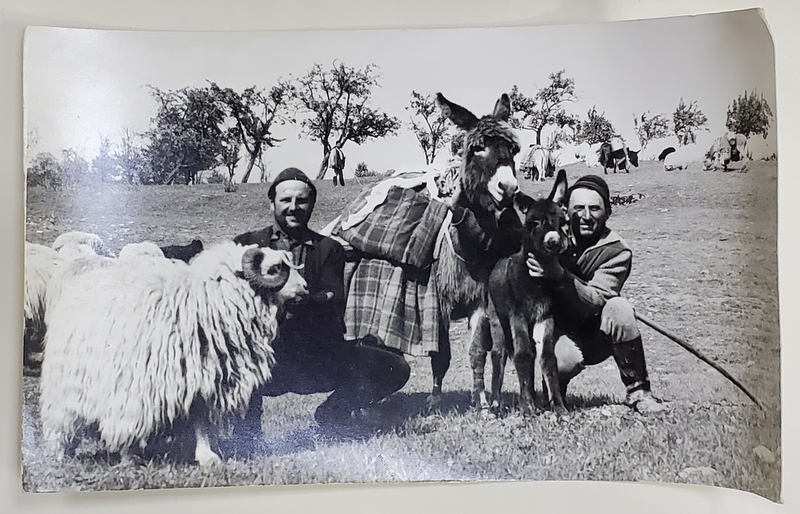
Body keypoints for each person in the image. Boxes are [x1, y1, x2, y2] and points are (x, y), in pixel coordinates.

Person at [232, 167, 410, 450]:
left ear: (311, 205)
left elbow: (334, 298)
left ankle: (334, 413)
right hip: (262, 357)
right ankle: (246, 435)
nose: (293, 207)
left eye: (301, 201)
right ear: (272, 203)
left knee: (394, 366)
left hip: (311, 357)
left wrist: (303, 301)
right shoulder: (245, 245)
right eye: (285, 200)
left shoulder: (328, 249)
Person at [526, 174, 666, 415]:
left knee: (619, 308)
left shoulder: (617, 251)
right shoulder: (552, 237)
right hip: (556, 331)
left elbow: (596, 300)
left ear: (608, 212)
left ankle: (639, 391)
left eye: (595, 209)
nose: (587, 216)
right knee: (561, 359)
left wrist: (558, 274)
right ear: (566, 211)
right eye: (579, 208)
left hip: (595, 334)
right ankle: (554, 394)